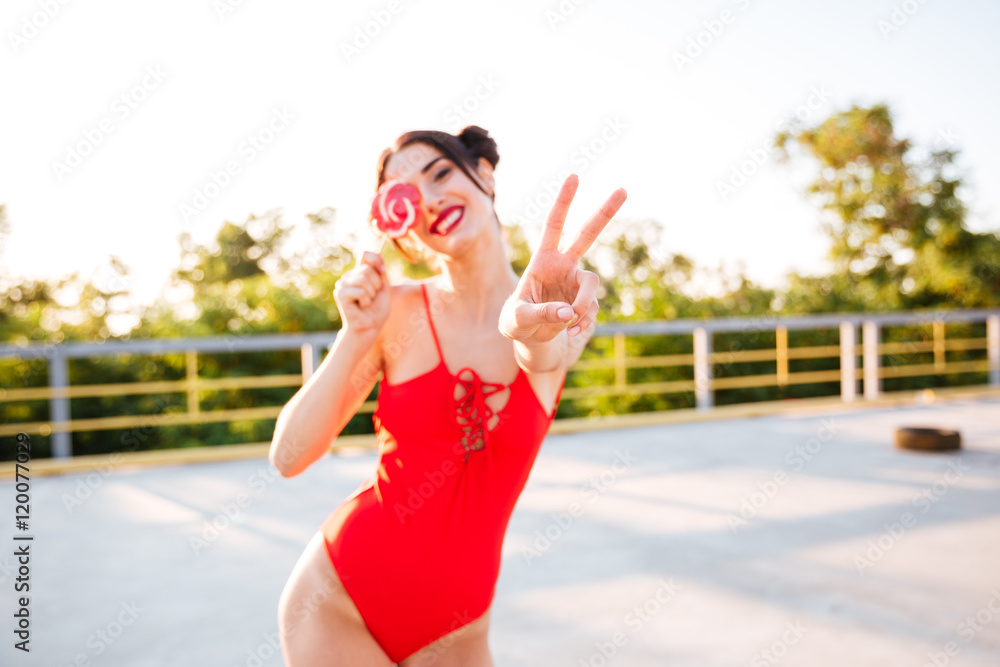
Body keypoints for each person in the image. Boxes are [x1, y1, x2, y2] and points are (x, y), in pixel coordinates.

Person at [269, 125, 627, 666]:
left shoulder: (549, 314)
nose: (432, 200)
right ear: (401, 223)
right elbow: (289, 457)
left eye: (440, 174)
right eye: (408, 195)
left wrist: (534, 329)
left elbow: (544, 356)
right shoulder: (395, 313)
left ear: (482, 175)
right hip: (338, 602)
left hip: (457, 635)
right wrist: (356, 336)